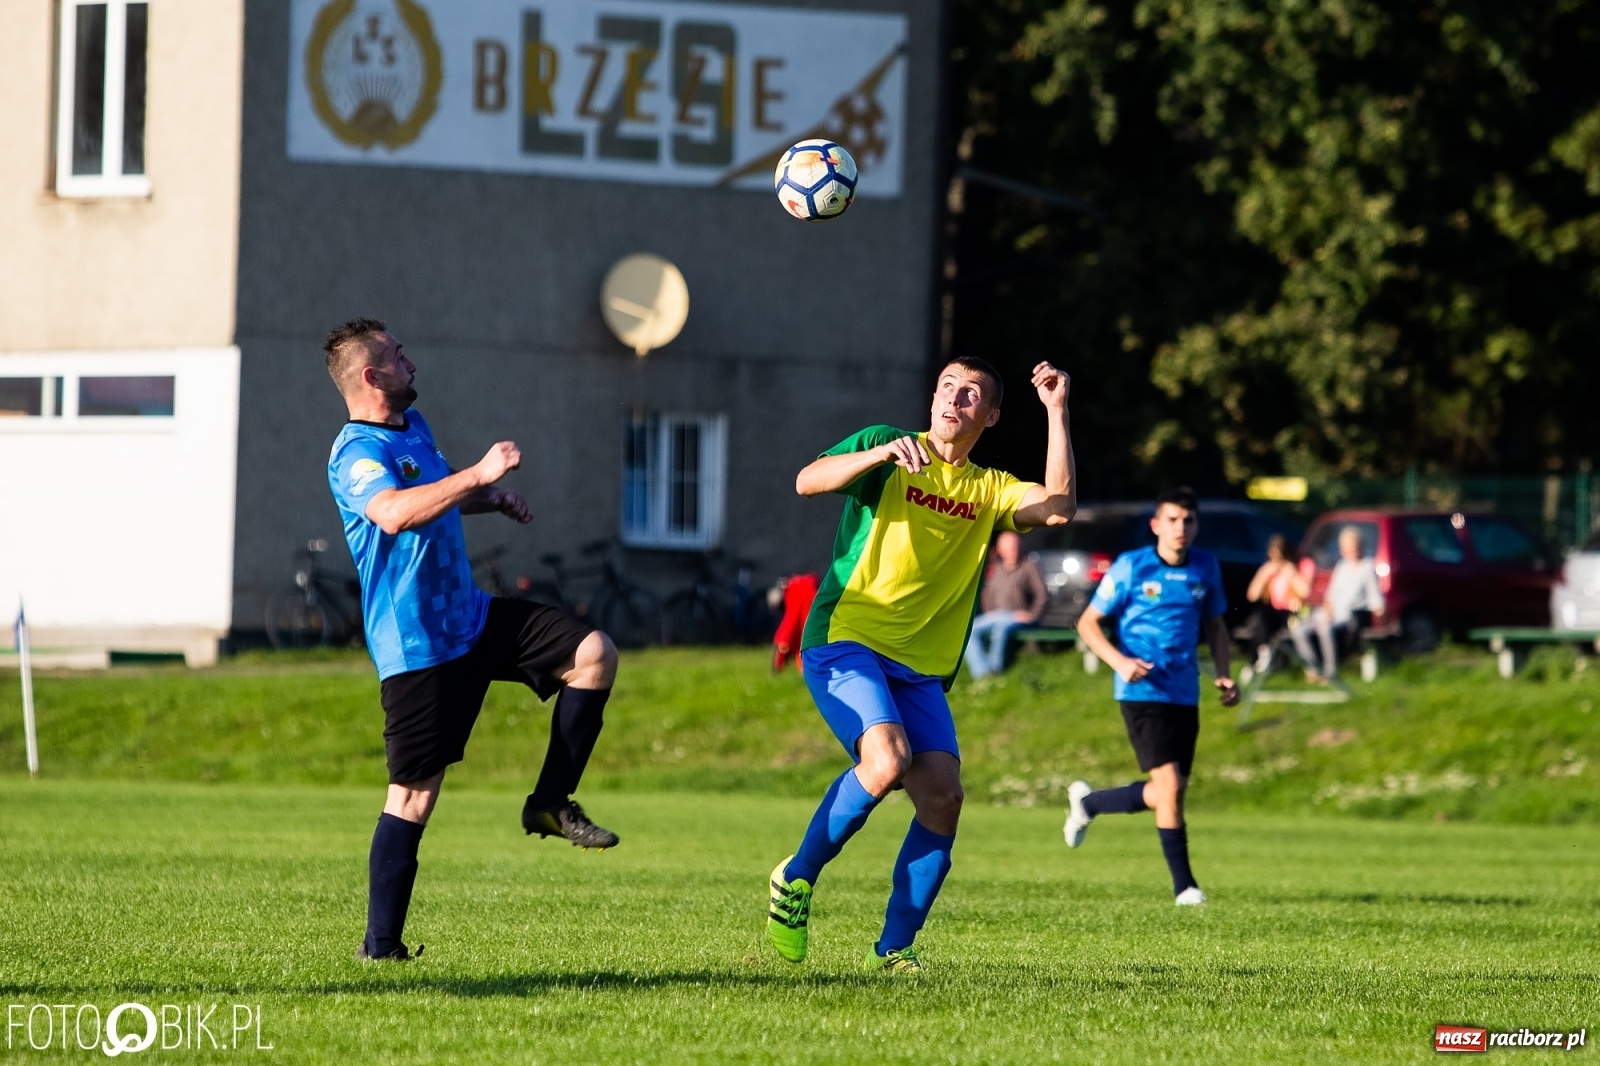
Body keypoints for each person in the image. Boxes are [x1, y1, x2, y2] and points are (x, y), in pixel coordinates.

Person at [766, 357, 1078, 974]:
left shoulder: (989, 489)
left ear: (989, 416)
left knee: (943, 800)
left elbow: (1060, 508)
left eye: (971, 394)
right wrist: (876, 458)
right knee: (887, 761)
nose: (953, 400)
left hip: (921, 670)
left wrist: (1057, 411)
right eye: (946, 387)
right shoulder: (888, 446)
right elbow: (807, 480)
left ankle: (895, 950)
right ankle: (796, 879)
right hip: (846, 639)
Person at [324, 318, 620, 962]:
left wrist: (489, 497)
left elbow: (431, 492)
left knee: (593, 654)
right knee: (412, 796)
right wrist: (479, 472)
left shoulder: (413, 430)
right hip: (417, 645)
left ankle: (548, 804)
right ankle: (380, 948)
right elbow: (395, 512)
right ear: (372, 377)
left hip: (473, 617)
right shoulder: (354, 455)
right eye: (398, 356)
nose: (411, 361)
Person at [1064, 488, 1239, 906]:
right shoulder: (1131, 567)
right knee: (1170, 785)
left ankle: (1088, 803)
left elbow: (1215, 626)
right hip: (1140, 690)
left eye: (1188, 520)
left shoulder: (1205, 568)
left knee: (1168, 793)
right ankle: (1185, 888)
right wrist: (1119, 662)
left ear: (1196, 526)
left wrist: (1226, 675)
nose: (1181, 528)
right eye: (1173, 520)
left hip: (1184, 692)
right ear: (1157, 525)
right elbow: (1087, 623)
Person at [1289, 525, 1385, 680]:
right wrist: (1327, 613)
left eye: (1353, 547)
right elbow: (1330, 596)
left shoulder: (1367, 567)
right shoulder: (1341, 567)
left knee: (1325, 629)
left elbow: (1376, 599)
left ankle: (1330, 671)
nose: (1350, 551)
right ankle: (1313, 668)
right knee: (1299, 629)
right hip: (1331, 613)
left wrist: (1381, 615)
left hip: (1350, 615)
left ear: (1360, 547)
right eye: (1346, 548)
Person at [963, 531, 1050, 678]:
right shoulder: (996, 567)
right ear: (1000, 550)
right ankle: (981, 673)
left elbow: (1043, 595)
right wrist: (989, 610)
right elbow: (987, 591)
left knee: (1001, 629)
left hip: (1017, 616)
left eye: (1014, 547)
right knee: (969, 630)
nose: (1012, 552)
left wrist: (1032, 614)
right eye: (1009, 548)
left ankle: (995, 670)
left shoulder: (1028, 566)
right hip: (996, 615)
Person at [1237, 534, 1309, 660]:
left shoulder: (1298, 566)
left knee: (1267, 622)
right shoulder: (1269, 568)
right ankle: (1260, 656)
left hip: (1292, 611)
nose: (1277, 560)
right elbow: (1252, 595)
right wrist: (1263, 576)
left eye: (1280, 557)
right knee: (1261, 619)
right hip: (1273, 611)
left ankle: (1264, 659)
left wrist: (1292, 574)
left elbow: (1305, 592)